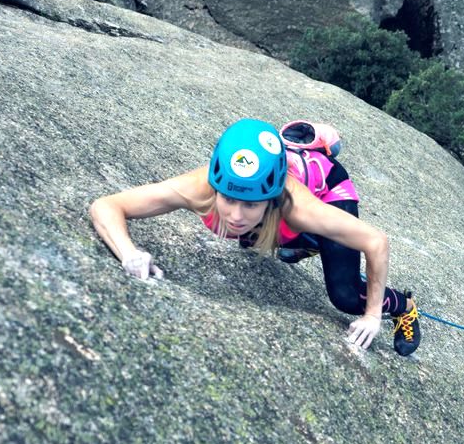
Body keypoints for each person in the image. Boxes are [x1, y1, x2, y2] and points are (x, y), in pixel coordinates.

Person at [89, 118, 420, 356]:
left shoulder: (297, 206)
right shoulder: (200, 186)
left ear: (271, 199)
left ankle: (404, 306)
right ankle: (304, 241)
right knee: (251, 237)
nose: (234, 215)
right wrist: (128, 253)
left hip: (327, 188)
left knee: (345, 295)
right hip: (281, 208)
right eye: (228, 199)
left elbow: (376, 242)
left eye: (249, 204)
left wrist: (373, 315)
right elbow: (107, 206)